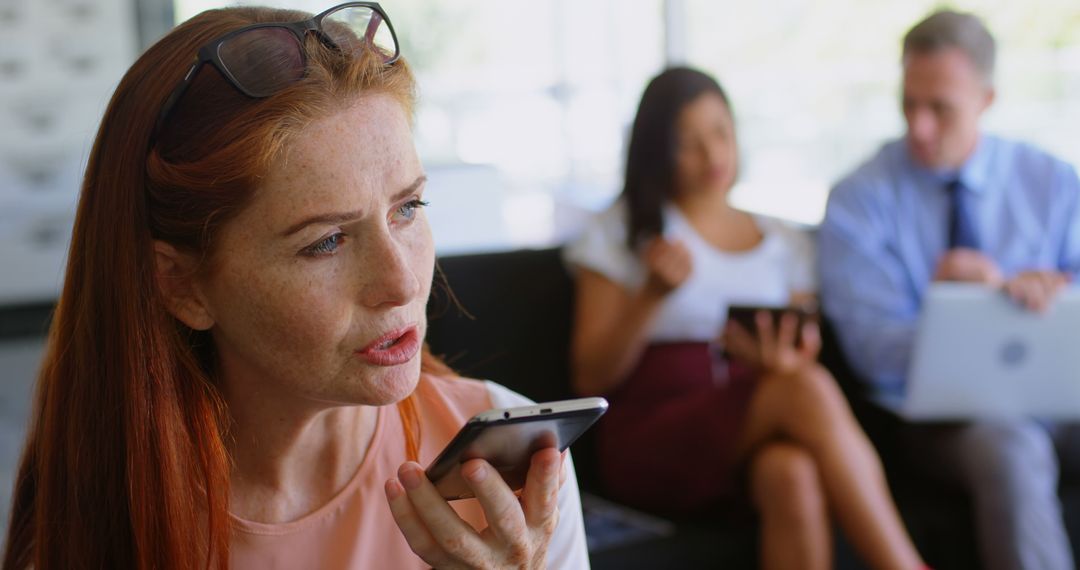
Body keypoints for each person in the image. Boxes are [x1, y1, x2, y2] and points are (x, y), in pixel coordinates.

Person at [2, 4, 588, 569]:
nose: (402, 281)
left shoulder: (514, 468)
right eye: (326, 241)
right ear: (182, 285)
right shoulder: (106, 509)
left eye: (408, 207)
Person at [565, 66, 925, 570]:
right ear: (656, 150)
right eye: (688, 141)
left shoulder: (784, 241)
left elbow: (804, 345)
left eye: (720, 133)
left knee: (791, 473)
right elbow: (590, 377)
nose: (712, 155)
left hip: (751, 417)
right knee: (806, 388)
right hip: (654, 432)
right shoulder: (621, 232)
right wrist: (650, 296)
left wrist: (783, 357)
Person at [818, 10, 1080, 570]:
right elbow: (872, 354)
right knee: (1012, 448)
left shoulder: (1055, 184)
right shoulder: (859, 201)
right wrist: (949, 312)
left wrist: (1052, 296)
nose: (920, 126)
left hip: (1059, 401)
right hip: (936, 421)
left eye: (940, 109)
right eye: (909, 104)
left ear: (987, 98)